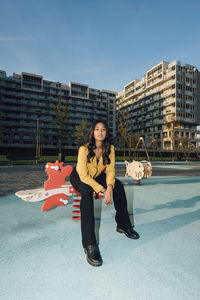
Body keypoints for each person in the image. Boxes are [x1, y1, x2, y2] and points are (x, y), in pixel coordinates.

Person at [70, 120, 140, 267]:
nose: (100, 132)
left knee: (118, 185)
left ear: (106, 132)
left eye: (103, 129)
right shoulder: (84, 149)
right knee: (87, 192)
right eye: (97, 129)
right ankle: (90, 245)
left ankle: (123, 225)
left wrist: (109, 186)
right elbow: (83, 176)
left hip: (95, 176)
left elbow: (111, 171)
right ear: (92, 132)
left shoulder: (110, 148)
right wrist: (102, 189)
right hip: (79, 176)